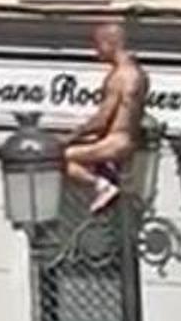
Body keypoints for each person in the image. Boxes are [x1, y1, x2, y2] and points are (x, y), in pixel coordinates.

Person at [62, 22, 150, 213]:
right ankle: (108, 184)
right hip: (127, 140)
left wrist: (70, 138)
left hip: (114, 143)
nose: (96, 52)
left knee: (59, 158)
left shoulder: (117, 77)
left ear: (110, 43)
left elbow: (102, 119)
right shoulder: (139, 74)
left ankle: (102, 186)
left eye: (97, 45)